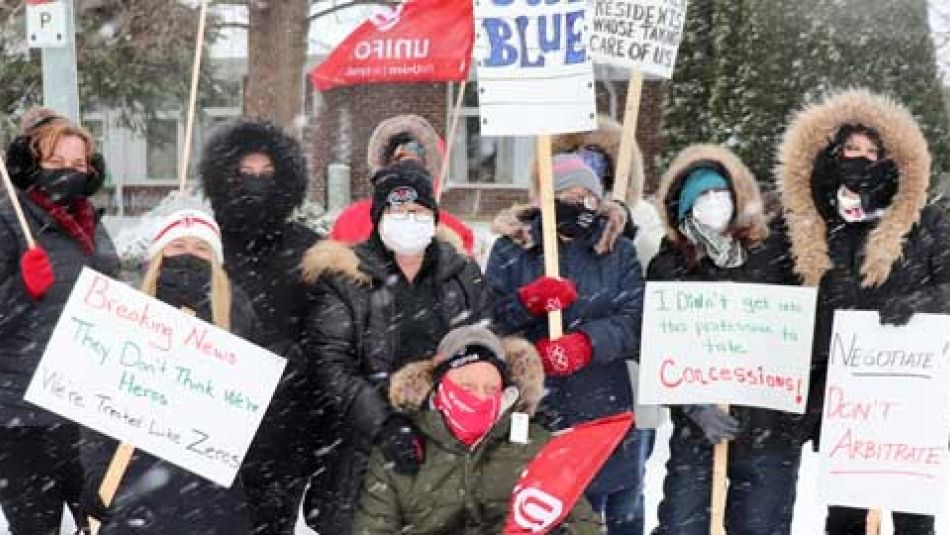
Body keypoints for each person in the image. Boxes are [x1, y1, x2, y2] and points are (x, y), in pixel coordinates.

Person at [777, 88, 950, 535]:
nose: (861, 159)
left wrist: (918, 305)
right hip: (844, 403)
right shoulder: (807, 225)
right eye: (851, 149)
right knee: (845, 516)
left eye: (873, 151)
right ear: (831, 154)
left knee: (913, 518)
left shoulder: (926, 223)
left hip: (911, 401)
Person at [301, 159, 490, 533]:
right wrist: (384, 424)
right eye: (397, 209)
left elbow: (482, 345)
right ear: (379, 217)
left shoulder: (462, 275)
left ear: (434, 217)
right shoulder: (345, 277)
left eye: (418, 210)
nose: (409, 218)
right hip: (364, 449)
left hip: (448, 445)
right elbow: (331, 365)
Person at [485, 154, 647, 534]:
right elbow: (487, 320)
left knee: (599, 511)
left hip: (602, 404)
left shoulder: (617, 250)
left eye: (588, 197)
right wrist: (525, 304)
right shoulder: (513, 249)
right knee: (538, 511)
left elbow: (635, 319)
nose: (580, 206)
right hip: (534, 408)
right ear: (546, 199)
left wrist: (587, 343)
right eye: (568, 196)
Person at [648, 145, 802, 534]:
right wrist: (693, 405)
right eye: (702, 196)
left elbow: (798, 328)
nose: (714, 204)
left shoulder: (773, 254)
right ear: (682, 206)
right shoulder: (669, 264)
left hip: (768, 425)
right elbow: (654, 346)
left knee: (760, 524)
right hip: (698, 428)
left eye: (721, 194)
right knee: (683, 523)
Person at [82, 209, 258, 534]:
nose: (190, 254)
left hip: (211, 487)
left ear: (216, 259)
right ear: (159, 253)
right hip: (134, 479)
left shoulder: (238, 310)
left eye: (201, 247)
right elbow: (96, 402)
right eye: (178, 245)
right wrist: (96, 472)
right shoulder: (127, 311)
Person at [352, 324, 602, 534]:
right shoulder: (400, 446)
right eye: (467, 386)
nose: (479, 398)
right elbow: (373, 527)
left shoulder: (535, 442)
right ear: (441, 384)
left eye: (490, 388)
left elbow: (583, 523)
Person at [198, 118, 322, 533]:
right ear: (223, 177)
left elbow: (327, 331)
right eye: (245, 174)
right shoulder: (203, 243)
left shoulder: (307, 249)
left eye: (266, 175)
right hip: (211, 422)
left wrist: (297, 359)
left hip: (284, 425)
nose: (256, 183)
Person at [0, 110, 118, 534]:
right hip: (22, 418)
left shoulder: (92, 225)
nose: (67, 173)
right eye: (56, 163)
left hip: (85, 413)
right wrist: (20, 289)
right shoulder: (7, 220)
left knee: (105, 522)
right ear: (33, 165)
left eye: (77, 164)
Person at [329, 114, 475, 254]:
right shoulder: (352, 219)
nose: (406, 171)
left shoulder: (453, 231)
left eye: (414, 163)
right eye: (400, 160)